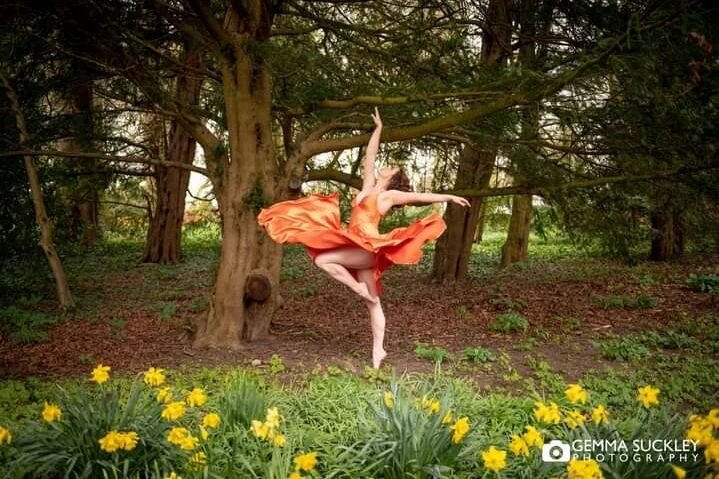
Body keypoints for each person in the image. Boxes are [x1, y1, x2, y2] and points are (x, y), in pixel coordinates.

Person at [258, 108, 469, 369]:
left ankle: (358, 290)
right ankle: (378, 352)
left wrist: (448, 197)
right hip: (356, 244)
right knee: (374, 302)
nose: (386, 166)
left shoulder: (387, 197)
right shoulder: (368, 186)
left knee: (323, 261)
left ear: (392, 179)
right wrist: (378, 129)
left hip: (367, 248)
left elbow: (420, 197)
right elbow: (370, 155)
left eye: (392, 168)